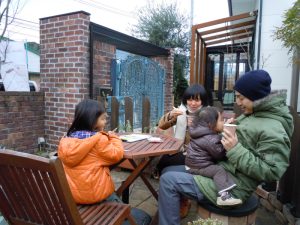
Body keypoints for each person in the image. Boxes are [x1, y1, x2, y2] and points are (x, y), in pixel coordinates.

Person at [158, 69, 293, 225]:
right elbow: (162, 125)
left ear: (256, 96)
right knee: (168, 169)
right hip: (218, 169)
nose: (237, 102)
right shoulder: (254, 114)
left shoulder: (272, 127)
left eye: (241, 97)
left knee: (168, 180)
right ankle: (179, 207)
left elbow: (272, 171)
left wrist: (235, 149)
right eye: (237, 97)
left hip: (231, 187)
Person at [58, 99, 151, 225]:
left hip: (73, 196)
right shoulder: (98, 140)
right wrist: (114, 137)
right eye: (103, 119)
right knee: (144, 218)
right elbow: (116, 155)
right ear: (92, 120)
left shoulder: (66, 140)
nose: (105, 121)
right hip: (95, 196)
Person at [185, 106, 242, 206]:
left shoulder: (200, 133)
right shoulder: (210, 139)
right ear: (210, 124)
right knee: (218, 170)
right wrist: (230, 146)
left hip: (192, 163)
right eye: (221, 120)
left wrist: (224, 128)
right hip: (199, 166)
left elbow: (215, 135)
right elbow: (219, 155)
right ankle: (223, 197)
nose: (223, 122)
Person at [155, 84, 209, 175]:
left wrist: (195, 126)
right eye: (190, 99)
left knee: (167, 161)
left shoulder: (208, 114)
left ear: (202, 101)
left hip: (199, 154)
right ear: (186, 100)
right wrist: (170, 115)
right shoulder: (182, 112)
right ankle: (164, 179)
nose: (193, 103)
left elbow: (211, 137)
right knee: (165, 158)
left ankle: (165, 178)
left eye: (197, 100)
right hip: (182, 150)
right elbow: (161, 126)